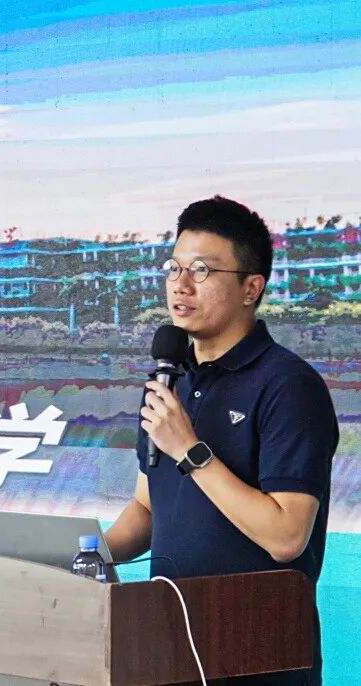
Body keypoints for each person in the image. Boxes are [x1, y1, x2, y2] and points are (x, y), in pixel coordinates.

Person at [104, 196, 338, 686]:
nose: (180, 285)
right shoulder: (169, 381)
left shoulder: (288, 385)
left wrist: (190, 451)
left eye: (202, 271)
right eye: (174, 268)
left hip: (259, 655)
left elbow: (286, 536)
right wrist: (77, 554)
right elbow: (148, 508)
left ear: (251, 287)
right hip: (170, 650)